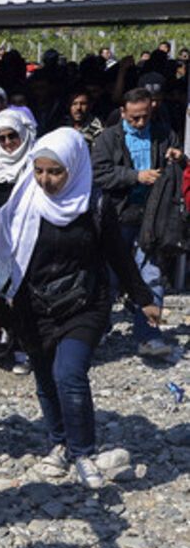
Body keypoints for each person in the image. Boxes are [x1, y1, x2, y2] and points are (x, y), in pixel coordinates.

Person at [0, 129, 157, 489]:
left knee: (69, 374)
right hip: (32, 307)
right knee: (46, 380)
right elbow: (4, 254)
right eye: (39, 171)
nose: (45, 181)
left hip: (84, 303)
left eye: (55, 172)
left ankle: (83, 451)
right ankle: (59, 444)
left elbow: (118, 254)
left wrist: (143, 298)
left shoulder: (93, 205)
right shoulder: (23, 202)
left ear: (75, 168)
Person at [91, 86, 183, 359]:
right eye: (134, 118)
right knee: (109, 276)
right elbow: (100, 173)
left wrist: (179, 159)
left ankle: (149, 336)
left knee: (151, 274)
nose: (140, 123)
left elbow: (177, 170)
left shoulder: (164, 134)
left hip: (153, 216)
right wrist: (135, 176)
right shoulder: (108, 138)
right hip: (118, 215)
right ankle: (97, 329)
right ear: (123, 113)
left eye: (144, 116)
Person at [0, 108, 35, 206]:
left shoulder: (35, 160)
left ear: (22, 134)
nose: (7, 142)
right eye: (1, 138)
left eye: (12, 136)